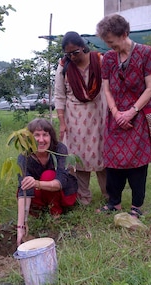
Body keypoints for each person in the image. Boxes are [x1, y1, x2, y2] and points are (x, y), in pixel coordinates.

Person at [95, 14, 151, 218]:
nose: (109, 46)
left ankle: (136, 206)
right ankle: (113, 202)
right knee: (113, 161)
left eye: (111, 41)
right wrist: (116, 113)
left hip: (139, 116)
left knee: (138, 163)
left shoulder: (146, 53)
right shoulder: (108, 58)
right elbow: (106, 89)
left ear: (124, 34)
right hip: (115, 117)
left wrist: (131, 112)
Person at [54, 31, 108, 205]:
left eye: (75, 52)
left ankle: (109, 196)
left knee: (102, 156)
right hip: (74, 120)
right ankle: (84, 198)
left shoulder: (100, 61)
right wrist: (62, 123)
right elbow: (59, 96)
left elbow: (111, 87)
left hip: (99, 116)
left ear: (83, 47)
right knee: (79, 158)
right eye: (68, 54)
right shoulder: (64, 66)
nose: (72, 57)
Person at [16, 118, 78, 246]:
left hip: (63, 193)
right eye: (36, 135)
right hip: (40, 194)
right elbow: (24, 190)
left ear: (51, 136)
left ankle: (56, 214)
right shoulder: (24, 157)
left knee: (48, 175)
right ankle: (40, 211)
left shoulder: (59, 149)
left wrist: (37, 183)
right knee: (24, 186)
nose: (41, 140)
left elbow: (60, 182)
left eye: (45, 135)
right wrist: (20, 227)